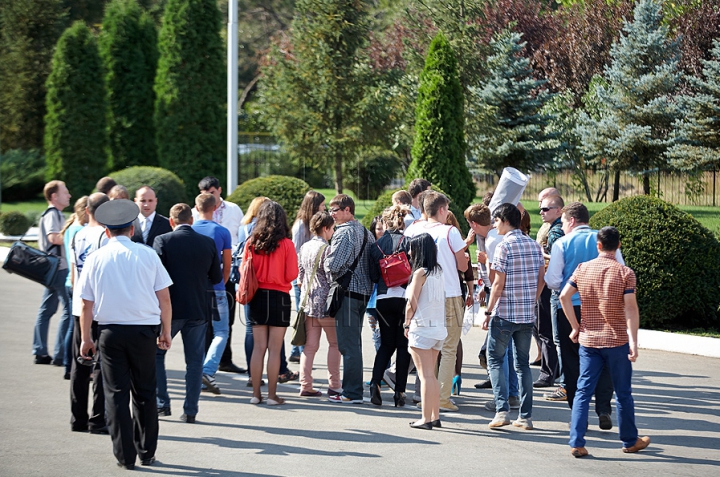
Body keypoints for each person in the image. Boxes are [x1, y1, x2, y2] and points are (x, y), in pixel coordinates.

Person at [77, 199, 172, 470]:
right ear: (132, 229)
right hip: (144, 331)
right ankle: (147, 451)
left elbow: (85, 303)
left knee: (116, 394)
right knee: (145, 392)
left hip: (110, 332)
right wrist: (166, 330)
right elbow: (164, 297)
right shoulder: (148, 255)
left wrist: (86, 338)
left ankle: (124, 455)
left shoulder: (96, 258)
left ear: (107, 232)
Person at [560, 226, 650, 457]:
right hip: (616, 339)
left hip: (589, 340)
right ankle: (630, 440)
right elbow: (630, 308)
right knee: (623, 393)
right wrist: (634, 341)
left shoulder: (582, 269)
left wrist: (575, 326)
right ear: (618, 245)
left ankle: (577, 442)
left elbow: (564, 296)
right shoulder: (625, 273)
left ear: (598, 245)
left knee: (582, 391)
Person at [546, 202, 622, 430]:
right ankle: (604, 409)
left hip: (570, 308)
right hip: (602, 308)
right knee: (603, 360)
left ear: (570, 220)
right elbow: (621, 270)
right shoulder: (604, 242)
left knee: (571, 362)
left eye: (563, 223)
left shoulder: (562, 243)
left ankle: (579, 414)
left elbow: (552, 280)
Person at [153, 203, 222, 423]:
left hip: (170, 308)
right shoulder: (207, 242)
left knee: (156, 355)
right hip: (199, 307)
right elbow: (217, 277)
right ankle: (190, 410)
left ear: (171, 222)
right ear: (191, 220)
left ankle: (162, 403)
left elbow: (155, 277)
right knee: (194, 362)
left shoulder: (162, 241)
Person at [483, 203, 545, 430]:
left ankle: (502, 411)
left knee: (496, 360)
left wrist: (488, 311)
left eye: (496, 220)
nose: (494, 224)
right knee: (523, 365)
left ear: (505, 220)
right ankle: (525, 416)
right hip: (527, 315)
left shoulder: (504, 246)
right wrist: (532, 300)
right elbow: (541, 279)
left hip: (505, 313)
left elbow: (497, 283)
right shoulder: (534, 245)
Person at [403, 191, 467, 412]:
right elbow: (462, 266)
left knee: (425, 348)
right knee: (448, 347)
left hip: (421, 291)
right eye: (447, 209)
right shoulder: (450, 232)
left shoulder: (412, 229)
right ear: (441, 209)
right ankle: (442, 396)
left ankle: (425, 395)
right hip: (449, 292)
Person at [238, 196, 296, 386]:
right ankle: (272, 393)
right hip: (280, 296)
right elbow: (291, 274)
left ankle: (255, 392)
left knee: (258, 348)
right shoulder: (287, 244)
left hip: (257, 296)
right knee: (274, 348)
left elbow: (243, 270)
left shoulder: (251, 242)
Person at [193, 176, 246, 375]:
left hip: (227, 269)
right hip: (205, 274)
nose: (210, 198)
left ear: (219, 190)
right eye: (205, 194)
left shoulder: (233, 209)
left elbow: (241, 237)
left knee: (227, 320)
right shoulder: (195, 212)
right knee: (205, 322)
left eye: (212, 193)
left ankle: (225, 360)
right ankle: (207, 361)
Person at [325, 194, 375, 404]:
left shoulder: (344, 233)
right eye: (330, 210)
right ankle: (352, 390)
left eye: (335, 210)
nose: (332, 215)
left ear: (348, 210)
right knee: (354, 343)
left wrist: (326, 261)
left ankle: (352, 393)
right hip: (363, 294)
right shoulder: (366, 232)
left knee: (348, 346)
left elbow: (333, 265)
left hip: (348, 294)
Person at [69, 193, 110, 434]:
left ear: (87, 209)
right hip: (100, 307)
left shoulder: (78, 234)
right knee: (102, 366)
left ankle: (77, 419)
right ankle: (98, 419)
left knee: (80, 364)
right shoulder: (105, 237)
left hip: (80, 305)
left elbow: (75, 273)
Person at [368, 205, 412, 407]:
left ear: (385, 222)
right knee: (403, 346)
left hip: (383, 299)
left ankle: (375, 382)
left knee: (386, 345)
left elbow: (374, 276)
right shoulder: (409, 242)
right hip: (404, 298)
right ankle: (399, 392)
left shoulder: (376, 246)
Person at [191, 194, 233, 395]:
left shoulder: (188, 230)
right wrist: (221, 284)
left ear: (195, 207)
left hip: (194, 289)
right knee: (221, 331)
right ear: (215, 207)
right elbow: (227, 265)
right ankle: (208, 370)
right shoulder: (222, 231)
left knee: (196, 333)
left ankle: (197, 372)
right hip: (215, 288)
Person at [296, 211, 341, 397]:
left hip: (308, 302)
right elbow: (332, 277)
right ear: (325, 228)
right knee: (334, 344)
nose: (332, 232)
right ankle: (335, 384)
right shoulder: (327, 249)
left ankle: (305, 384)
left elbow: (299, 277)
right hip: (325, 304)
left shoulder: (304, 247)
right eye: (331, 229)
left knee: (310, 346)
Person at [404, 233, 446, 429]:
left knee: (425, 376)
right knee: (432, 375)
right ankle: (434, 416)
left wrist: (406, 323)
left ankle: (425, 418)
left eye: (412, 248)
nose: (409, 252)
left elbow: (411, 303)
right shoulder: (439, 272)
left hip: (422, 328)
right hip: (438, 328)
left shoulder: (420, 273)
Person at [33, 180, 73, 366]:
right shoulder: (53, 214)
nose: (69, 195)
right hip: (59, 268)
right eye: (65, 192)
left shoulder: (52, 213)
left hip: (52, 268)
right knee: (69, 310)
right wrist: (73, 232)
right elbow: (53, 237)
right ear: (54, 196)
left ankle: (40, 351)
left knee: (47, 310)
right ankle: (60, 354)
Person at [290, 191, 326, 363]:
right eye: (322, 205)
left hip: (314, 276)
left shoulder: (315, 224)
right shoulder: (300, 226)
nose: (324, 208)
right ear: (314, 205)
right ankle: (297, 348)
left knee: (306, 312)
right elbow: (296, 253)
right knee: (302, 312)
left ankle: (299, 349)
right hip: (302, 276)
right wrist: (299, 277)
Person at [534, 194, 564, 390]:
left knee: (545, 330)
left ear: (558, 210)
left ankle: (548, 373)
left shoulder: (556, 231)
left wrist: (542, 252)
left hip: (549, 285)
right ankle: (553, 370)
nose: (541, 212)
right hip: (552, 285)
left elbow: (556, 258)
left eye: (546, 209)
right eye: (541, 208)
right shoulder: (555, 228)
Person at [60, 195, 88, 379]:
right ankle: (69, 363)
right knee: (75, 326)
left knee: (71, 324)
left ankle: (65, 362)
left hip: (70, 281)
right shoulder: (80, 229)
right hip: (76, 283)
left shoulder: (71, 227)